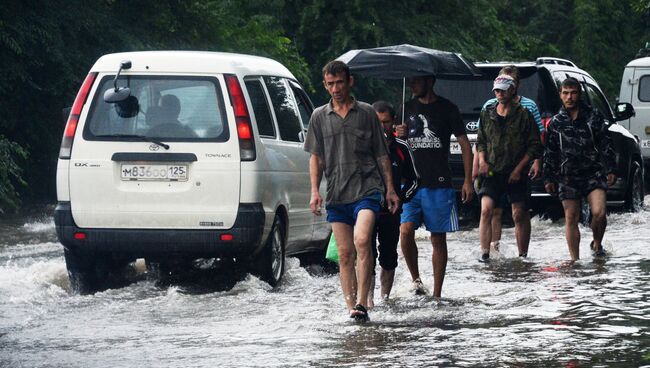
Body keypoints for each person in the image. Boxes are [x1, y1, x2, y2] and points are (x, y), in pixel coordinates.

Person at [304, 60, 400, 322]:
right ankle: (351, 310)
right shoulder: (319, 117)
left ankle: (362, 303)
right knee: (345, 254)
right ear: (325, 85)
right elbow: (316, 157)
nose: (336, 88)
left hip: (367, 189)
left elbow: (381, 154)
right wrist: (314, 191)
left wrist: (390, 189)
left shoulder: (367, 113)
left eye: (340, 83)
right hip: (337, 193)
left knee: (362, 240)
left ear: (350, 82)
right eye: (330, 84)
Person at [395, 75, 473, 298]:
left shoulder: (447, 108)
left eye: (416, 81)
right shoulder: (405, 108)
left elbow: (466, 146)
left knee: (437, 238)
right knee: (405, 230)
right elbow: (391, 143)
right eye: (411, 81)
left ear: (430, 81)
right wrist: (395, 133)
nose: (411, 84)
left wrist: (468, 180)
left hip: (439, 183)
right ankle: (416, 280)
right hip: (410, 184)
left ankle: (437, 293)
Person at [543, 77, 617, 260]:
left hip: (593, 173)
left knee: (599, 213)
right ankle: (574, 260)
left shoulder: (593, 116)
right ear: (560, 95)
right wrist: (548, 178)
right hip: (567, 177)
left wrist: (611, 169)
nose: (570, 97)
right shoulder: (555, 123)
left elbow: (606, 144)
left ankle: (597, 243)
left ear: (579, 94)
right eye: (566, 93)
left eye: (573, 93)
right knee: (571, 217)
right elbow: (550, 152)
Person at [473, 65, 543, 253]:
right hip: (492, 170)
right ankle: (485, 254)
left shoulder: (525, 113)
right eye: (497, 90)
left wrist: (520, 169)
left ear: (513, 89)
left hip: (516, 171)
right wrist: (481, 161)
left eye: (503, 90)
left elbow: (535, 144)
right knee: (487, 210)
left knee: (519, 213)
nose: (500, 94)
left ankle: (523, 255)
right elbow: (480, 141)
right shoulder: (487, 111)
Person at [366, 101, 418, 307]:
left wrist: (401, 198)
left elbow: (414, 179)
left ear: (394, 123)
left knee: (388, 257)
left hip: (392, 211)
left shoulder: (402, 148)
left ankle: (385, 299)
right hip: (366, 209)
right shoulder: (363, 146)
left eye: (386, 122)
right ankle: (367, 299)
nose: (382, 127)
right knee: (366, 254)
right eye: (377, 123)